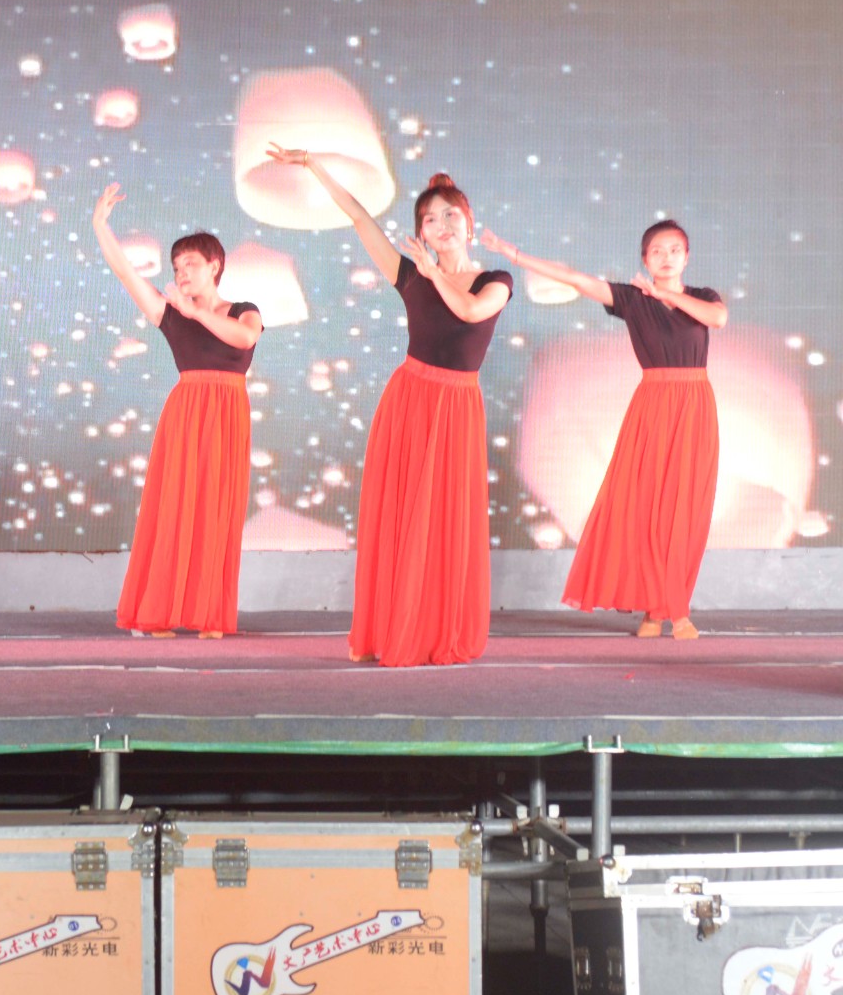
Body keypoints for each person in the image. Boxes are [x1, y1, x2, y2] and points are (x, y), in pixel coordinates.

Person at [268, 151, 511, 666]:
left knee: (443, 521)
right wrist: (313, 165)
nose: (442, 224)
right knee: (401, 518)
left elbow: (470, 311)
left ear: (469, 222)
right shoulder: (411, 276)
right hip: (410, 401)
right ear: (421, 233)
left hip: (457, 408)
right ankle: (390, 628)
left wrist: (434, 273)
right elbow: (359, 217)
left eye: (451, 214)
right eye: (430, 219)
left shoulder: (495, 280)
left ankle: (434, 630)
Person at [481, 221, 726, 638]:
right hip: (653, 405)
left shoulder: (703, 297)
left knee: (687, 512)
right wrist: (515, 256)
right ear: (644, 259)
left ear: (687, 257)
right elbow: (576, 280)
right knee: (647, 511)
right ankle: (655, 610)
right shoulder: (631, 298)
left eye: (674, 250)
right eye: (656, 251)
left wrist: (666, 294)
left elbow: (717, 319)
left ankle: (676, 608)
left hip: (695, 406)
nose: (666, 257)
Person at [91, 183, 262, 638]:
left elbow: (245, 338)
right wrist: (100, 227)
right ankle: (160, 610)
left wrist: (196, 312)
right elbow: (126, 273)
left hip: (228, 416)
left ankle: (209, 614)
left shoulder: (244, 311)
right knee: (175, 510)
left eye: (191, 264)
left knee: (216, 513)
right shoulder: (169, 314)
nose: (182, 273)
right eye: (176, 267)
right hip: (186, 414)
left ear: (215, 266)